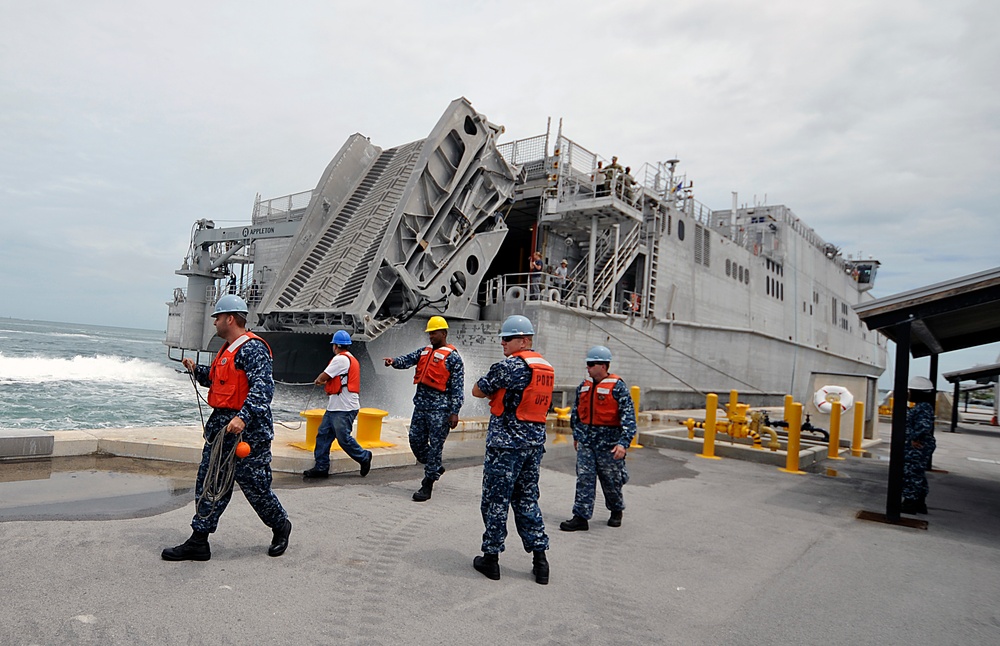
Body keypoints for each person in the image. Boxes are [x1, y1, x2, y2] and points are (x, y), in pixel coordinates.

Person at [163, 294, 291, 561]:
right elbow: (216, 380)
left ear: (230, 318)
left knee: (256, 487)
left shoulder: (252, 349)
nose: (215, 323)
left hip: (248, 432)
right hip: (222, 430)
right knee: (210, 483)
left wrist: (243, 418)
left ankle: (280, 525)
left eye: (217, 318)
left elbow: (263, 389)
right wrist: (195, 369)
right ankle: (199, 540)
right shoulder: (226, 350)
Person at [471, 315, 554, 584]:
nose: (503, 343)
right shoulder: (546, 368)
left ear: (525, 339)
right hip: (533, 446)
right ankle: (540, 562)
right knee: (527, 500)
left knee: (496, 501)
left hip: (506, 447)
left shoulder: (509, 367)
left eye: (508, 339)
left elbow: (477, 390)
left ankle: (491, 559)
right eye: (502, 339)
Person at [383, 316, 464, 502]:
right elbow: (407, 360)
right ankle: (435, 466)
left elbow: (457, 388)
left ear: (444, 333)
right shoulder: (424, 352)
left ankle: (427, 484)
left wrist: (454, 412)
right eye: (429, 333)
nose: (431, 336)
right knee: (415, 441)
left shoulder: (454, 358)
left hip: (440, 411)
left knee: (436, 447)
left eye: (434, 333)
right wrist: (393, 361)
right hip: (420, 407)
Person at [560, 345, 637, 532]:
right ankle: (581, 517)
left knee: (611, 480)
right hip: (587, 441)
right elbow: (576, 413)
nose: (587, 367)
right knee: (584, 478)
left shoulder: (618, 387)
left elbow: (629, 417)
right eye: (587, 364)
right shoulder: (583, 387)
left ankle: (616, 509)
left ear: (603, 366)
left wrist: (623, 444)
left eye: (591, 364)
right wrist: (576, 435)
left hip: (609, 444)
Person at [303, 330, 373, 479]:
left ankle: (364, 457)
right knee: (323, 435)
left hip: (344, 408)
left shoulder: (339, 360)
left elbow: (324, 376)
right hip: (335, 407)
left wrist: (318, 380)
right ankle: (321, 467)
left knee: (343, 439)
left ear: (335, 346)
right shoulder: (350, 358)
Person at [901, 376, 936, 514]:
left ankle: (910, 502)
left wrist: (915, 438)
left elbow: (923, 426)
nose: (909, 393)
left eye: (911, 391)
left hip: (918, 446)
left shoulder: (923, 408)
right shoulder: (922, 407)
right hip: (921, 444)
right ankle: (919, 502)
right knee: (918, 473)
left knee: (911, 473)